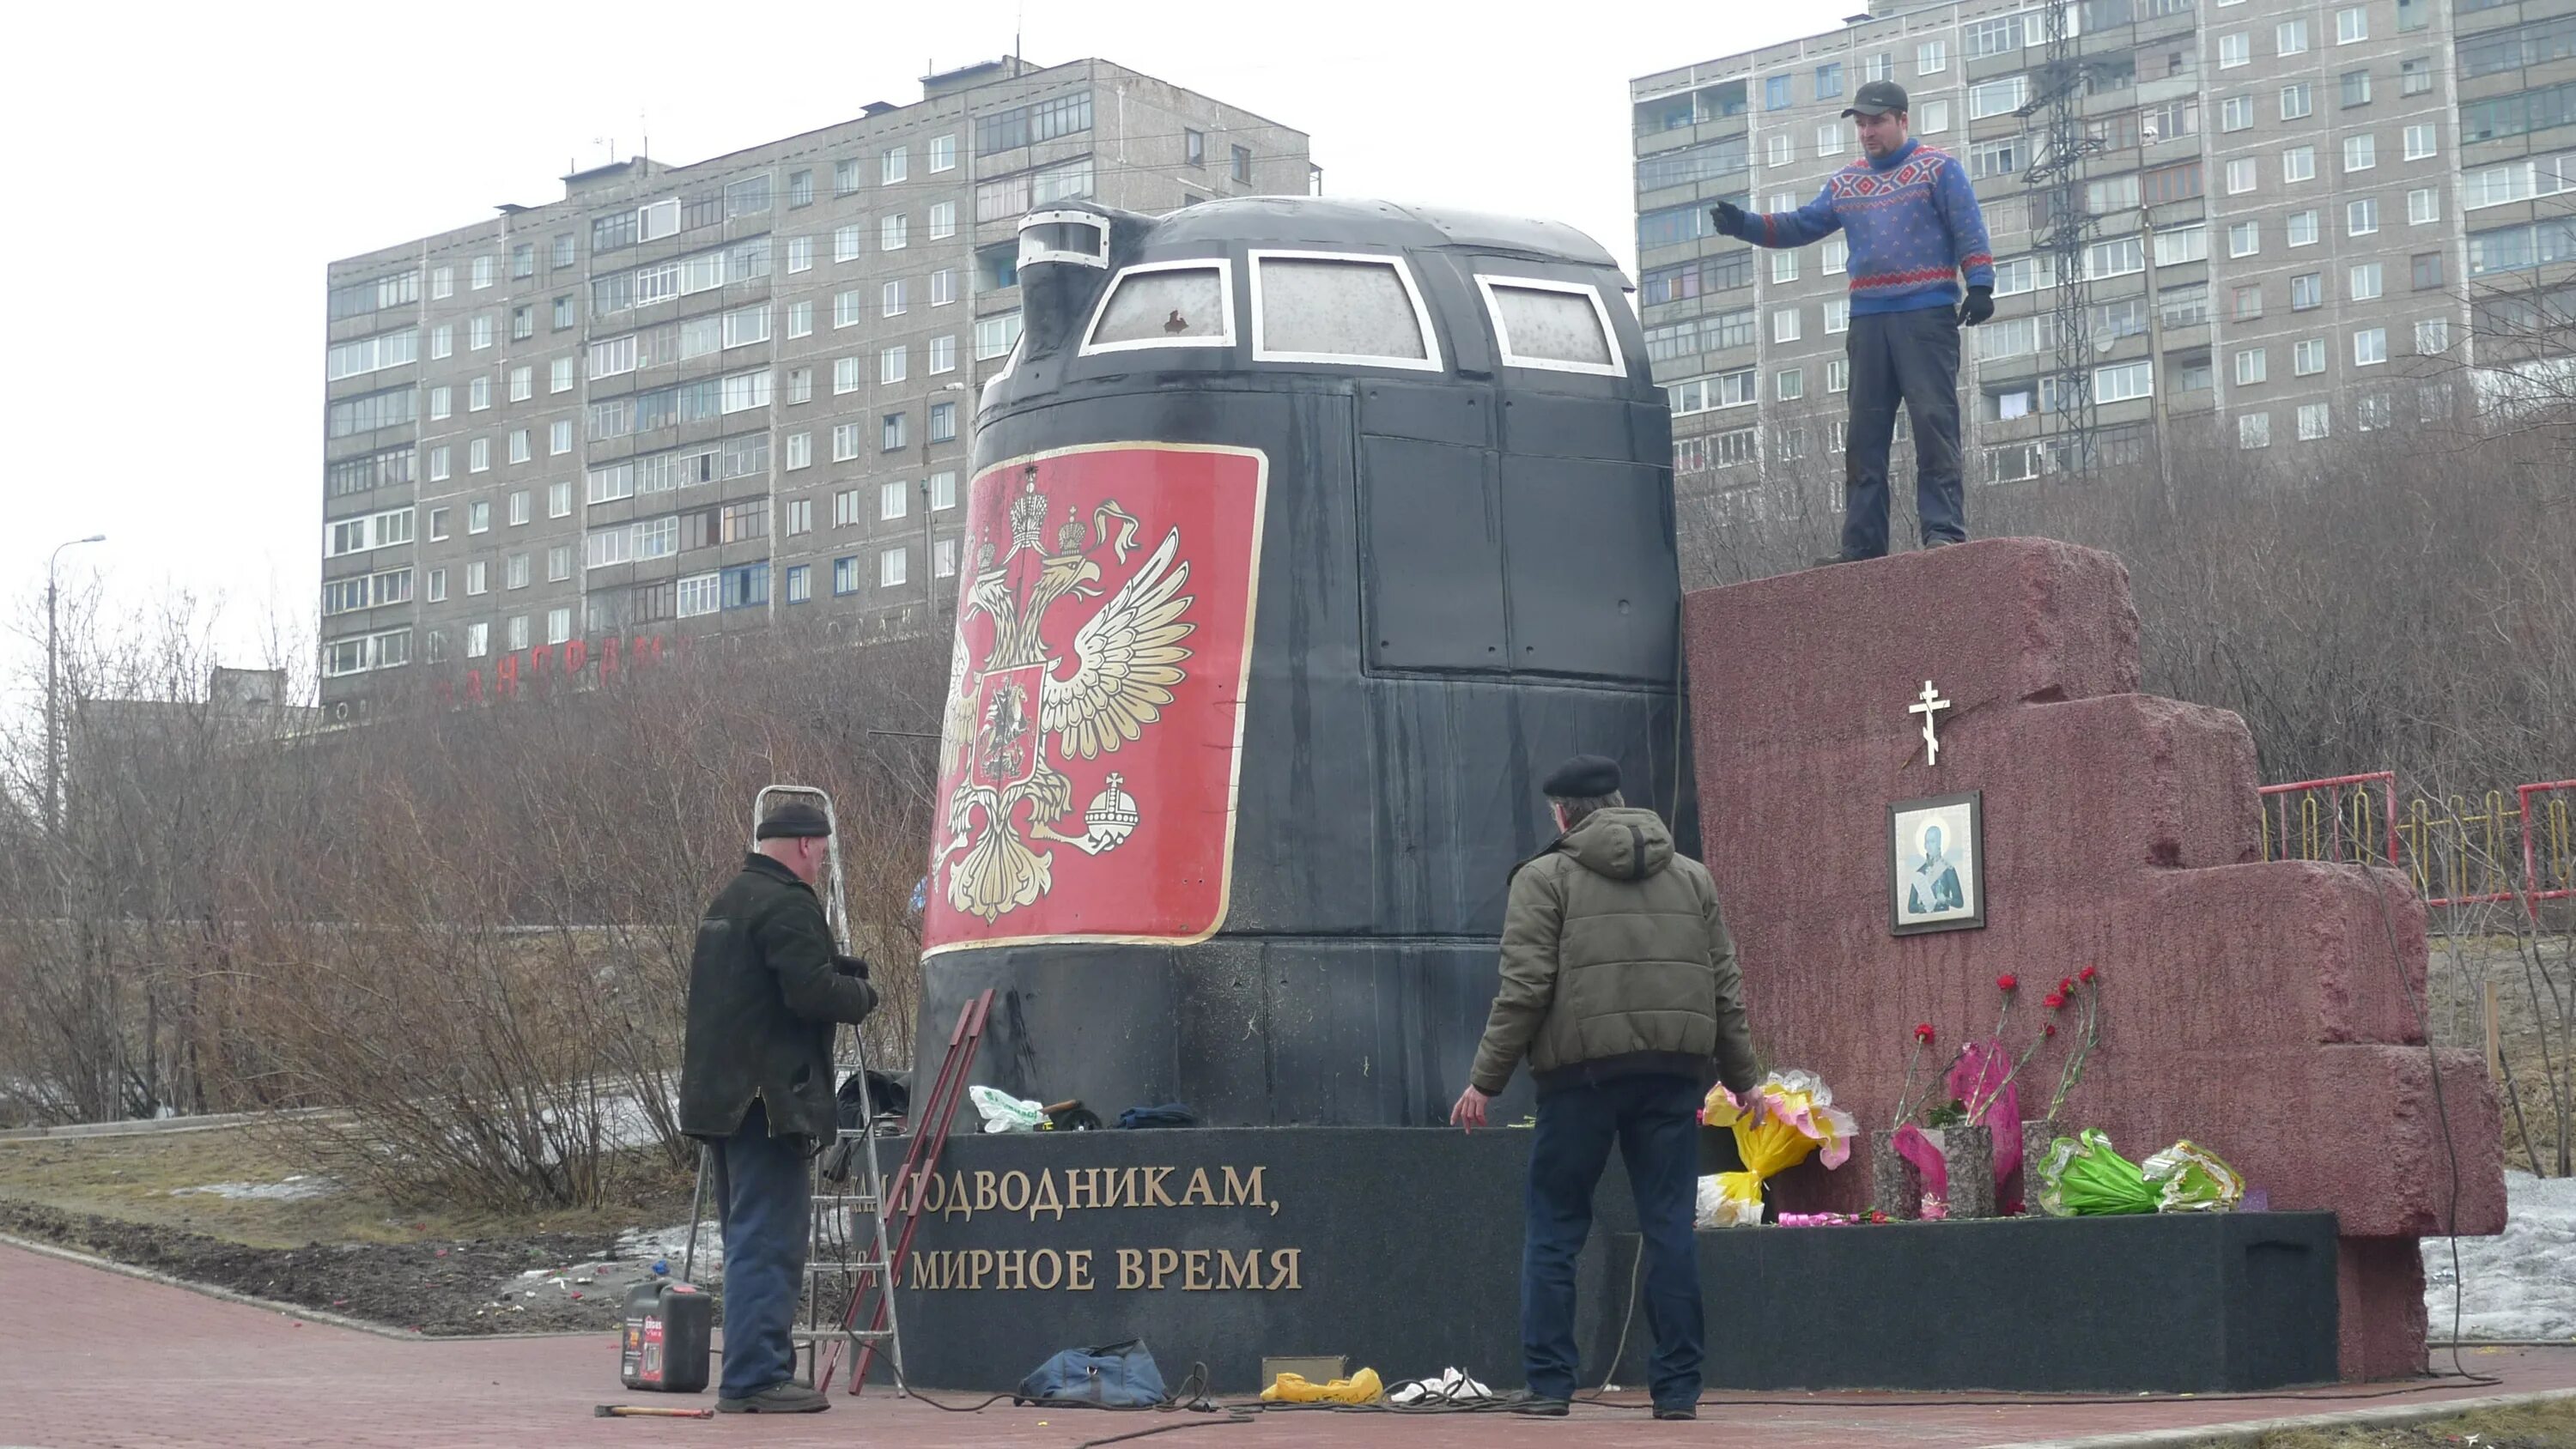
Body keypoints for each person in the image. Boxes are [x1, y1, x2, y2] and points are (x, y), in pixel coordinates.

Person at [1451, 755, 1760, 1422]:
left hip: (1580, 1081)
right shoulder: (1692, 877)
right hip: (1673, 1077)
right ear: (1621, 804)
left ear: (1561, 814)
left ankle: (1550, 1386)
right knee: (1670, 1228)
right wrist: (1745, 1082)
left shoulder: (1544, 878)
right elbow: (1724, 986)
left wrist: (1485, 1081)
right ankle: (1677, 1392)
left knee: (1556, 1227)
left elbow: (1525, 990)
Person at [1709, 79, 1996, 567]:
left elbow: (1968, 225)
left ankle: (1944, 534)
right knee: (1864, 436)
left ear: (1903, 120)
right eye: (1861, 124)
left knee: (1933, 425)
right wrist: (1745, 225)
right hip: (1869, 320)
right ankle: (1862, 546)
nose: (1867, 132)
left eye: (1877, 121)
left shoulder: (1938, 169)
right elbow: (1803, 224)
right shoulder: (1846, 182)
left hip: (1927, 316)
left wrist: (1981, 283)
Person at [678, 800, 879, 1414]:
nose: (821, 859)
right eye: (819, 848)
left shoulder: (727, 902)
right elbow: (810, 992)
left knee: (746, 1236)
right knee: (768, 1241)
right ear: (801, 845)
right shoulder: (788, 902)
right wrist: (861, 992)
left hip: (723, 1103)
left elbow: (754, 994)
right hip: (768, 1104)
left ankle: (754, 1369)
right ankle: (755, 1378)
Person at [1906, 822, 1965, 916]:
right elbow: (1911, 907)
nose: (1929, 846)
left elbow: (1959, 902)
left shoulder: (1948, 869)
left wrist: (1946, 900)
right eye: (1927, 842)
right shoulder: (1919, 872)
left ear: (1939, 844)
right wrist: (1924, 908)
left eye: (1932, 841)